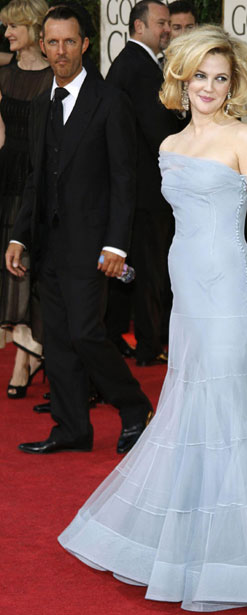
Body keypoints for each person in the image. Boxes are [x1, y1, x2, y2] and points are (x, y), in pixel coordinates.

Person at [58, 25, 247, 611]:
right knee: (188, 403)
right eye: (200, 75)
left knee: (228, 408)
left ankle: (239, 549)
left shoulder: (246, 140)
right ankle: (188, 540)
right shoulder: (169, 147)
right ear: (181, 79)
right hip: (187, 288)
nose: (209, 86)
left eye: (221, 77)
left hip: (228, 290)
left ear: (233, 86)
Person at [5, 5, 153, 455]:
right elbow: (37, 176)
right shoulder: (39, 101)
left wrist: (115, 245)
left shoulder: (109, 101)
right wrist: (19, 235)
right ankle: (72, 427)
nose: (61, 51)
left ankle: (135, 408)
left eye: (70, 41)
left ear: (85, 44)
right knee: (58, 339)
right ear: (43, 44)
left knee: (86, 333)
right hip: (49, 246)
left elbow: (125, 179)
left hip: (92, 246)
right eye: (52, 42)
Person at [106, 0, 182, 367]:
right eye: (161, 23)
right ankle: (151, 345)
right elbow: (159, 133)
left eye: (168, 24)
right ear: (139, 26)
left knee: (140, 268)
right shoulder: (138, 67)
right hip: (146, 190)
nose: (167, 29)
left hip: (137, 189)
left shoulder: (135, 64)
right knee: (151, 269)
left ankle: (141, 340)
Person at [0, 0, 52, 398]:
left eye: (13, 26)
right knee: (11, 269)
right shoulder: (3, 74)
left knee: (32, 270)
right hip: (7, 178)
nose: (6, 34)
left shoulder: (56, 77)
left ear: (34, 28)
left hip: (41, 180)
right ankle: (25, 351)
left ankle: (29, 354)